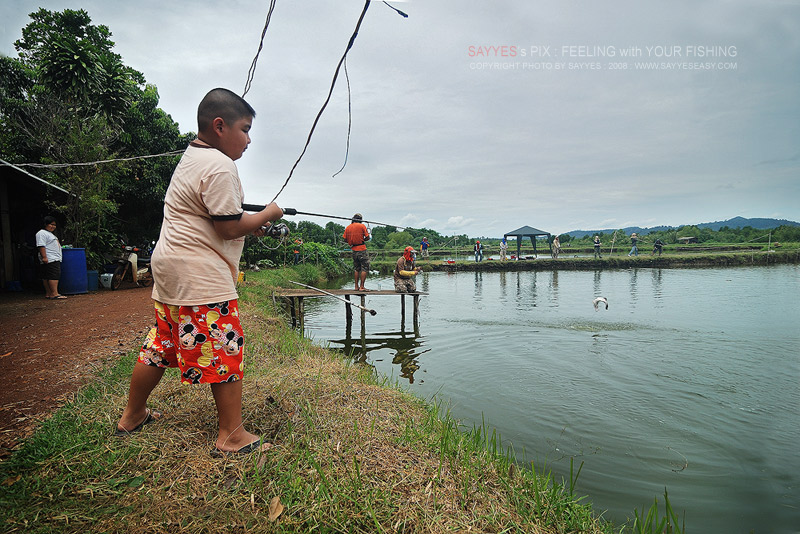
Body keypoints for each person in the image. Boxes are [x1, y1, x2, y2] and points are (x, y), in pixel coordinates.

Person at [115, 88, 285, 456]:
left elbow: (217, 218)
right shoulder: (222, 165)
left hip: (170, 269)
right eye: (245, 128)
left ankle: (133, 415)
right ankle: (231, 435)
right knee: (224, 347)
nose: (249, 139)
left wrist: (249, 223)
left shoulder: (193, 158)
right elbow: (227, 228)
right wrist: (270, 213)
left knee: (161, 343)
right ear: (220, 126)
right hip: (200, 275)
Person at [36, 216, 66, 299]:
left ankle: (49, 293)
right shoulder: (42, 233)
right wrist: (44, 257)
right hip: (50, 258)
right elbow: (41, 245)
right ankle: (54, 293)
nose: (53, 226)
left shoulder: (49, 234)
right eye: (51, 224)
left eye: (54, 225)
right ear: (45, 224)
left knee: (47, 276)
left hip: (52, 257)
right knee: (54, 275)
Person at [343, 213, 370, 291]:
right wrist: (362, 240)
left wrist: (351, 241)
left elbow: (345, 239)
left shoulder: (348, 227)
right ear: (360, 220)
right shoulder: (362, 226)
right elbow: (367, 237)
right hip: (362, 249)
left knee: (357, 268)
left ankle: (356, 286)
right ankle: (362, 286)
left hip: (354, 250)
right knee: (365, 268)